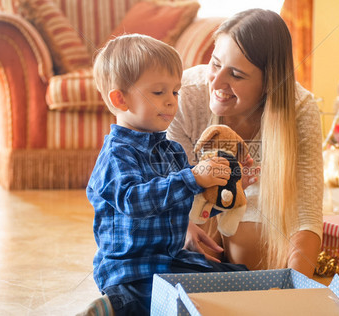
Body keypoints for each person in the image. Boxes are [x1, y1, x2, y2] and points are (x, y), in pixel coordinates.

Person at [82, 34, 248, 316]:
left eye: (175, 92)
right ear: (120, 99)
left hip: (170, 259)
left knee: (236, 279)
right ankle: (114, 307)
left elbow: (193, 207)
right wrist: (193, 178)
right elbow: (133, 201)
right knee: (152, 300)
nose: (172, 102)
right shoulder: (116, 154)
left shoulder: (171, 150)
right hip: (130, 268)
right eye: (159, 93)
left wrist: (222, 188)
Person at [166, 8, 323, 278]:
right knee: (199, 254)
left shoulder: (300, 108)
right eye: (215, 64)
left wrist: (297, 289)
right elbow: (169, 187)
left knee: (250, 260)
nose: (216, 81)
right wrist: (182, 227)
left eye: (236, 75)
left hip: (256, 206)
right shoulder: (186, 95)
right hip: (193, 204)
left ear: (268, 84)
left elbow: (306, 212)